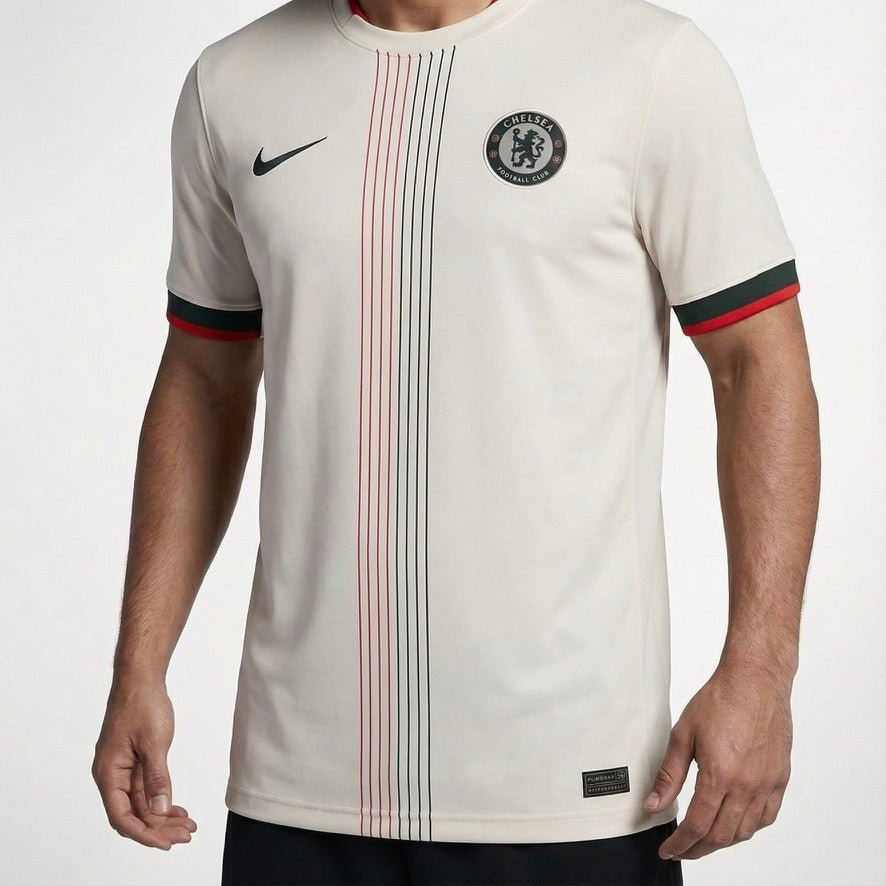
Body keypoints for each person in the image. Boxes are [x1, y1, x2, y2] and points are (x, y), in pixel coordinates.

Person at [91, 0, 820, 882]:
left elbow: (756, 362)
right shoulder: (232, 83)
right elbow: (203, 378)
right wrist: (139, 666)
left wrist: (761, 670)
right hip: (299, 782)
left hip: (570, 782)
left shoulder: (649, 64)